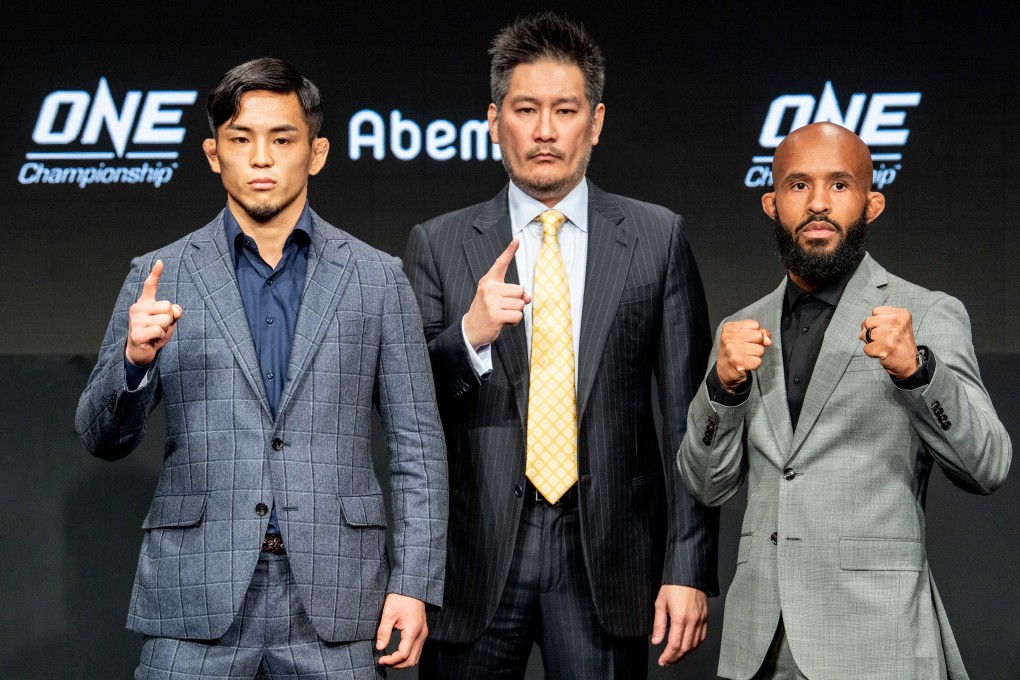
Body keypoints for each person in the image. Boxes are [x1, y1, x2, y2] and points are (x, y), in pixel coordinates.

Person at [75, 57, 448, 679]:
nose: (262, 158)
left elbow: (418, 446)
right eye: (241, 139)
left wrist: (414, 583)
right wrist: (132, 363)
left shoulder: (377, 278)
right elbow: (99, 436)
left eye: (282, 139)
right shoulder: (160, 273)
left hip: (336, 602)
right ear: (213, 153)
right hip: (194, 599)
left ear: (318, 151)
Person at [404, 12, 716, 679]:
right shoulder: (439, 243)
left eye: (565, 110)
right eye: (526, 109)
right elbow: (407, 404)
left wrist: (687, 565)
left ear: (595, 122)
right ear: (495, 121)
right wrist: (468, 336)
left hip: (608, 556)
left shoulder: (657, 238)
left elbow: (690, 418)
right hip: (478, 557)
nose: (545, 131)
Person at [678, 121, 1011, 680]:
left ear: (871, 203)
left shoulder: (925, 314)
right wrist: (722, 388)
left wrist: (917, 372)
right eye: (798, 185)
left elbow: (988, 465)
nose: (817, 204)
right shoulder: (740, 327)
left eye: (839, 185)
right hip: (759, 645)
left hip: (875, 639)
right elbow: (707, 483)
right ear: (771, 202)